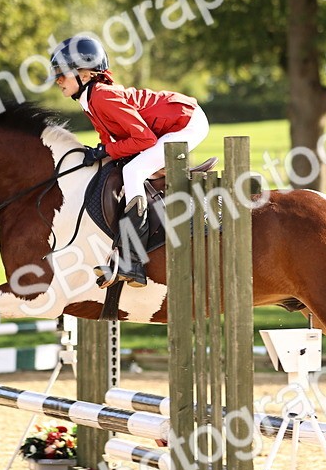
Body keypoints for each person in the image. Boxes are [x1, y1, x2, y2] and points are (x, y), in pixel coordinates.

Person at [48, 34, 210, 289]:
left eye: (62, 73)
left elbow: (143, 139)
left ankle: (133, 261)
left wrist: (106, 150)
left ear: (86, 73)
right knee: (122, 166)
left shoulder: (101, 96)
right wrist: (104, 152)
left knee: (134, 171)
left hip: (187, 123)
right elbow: (109, 138)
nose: (57, 80)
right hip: (167, 126)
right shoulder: (89, 99)